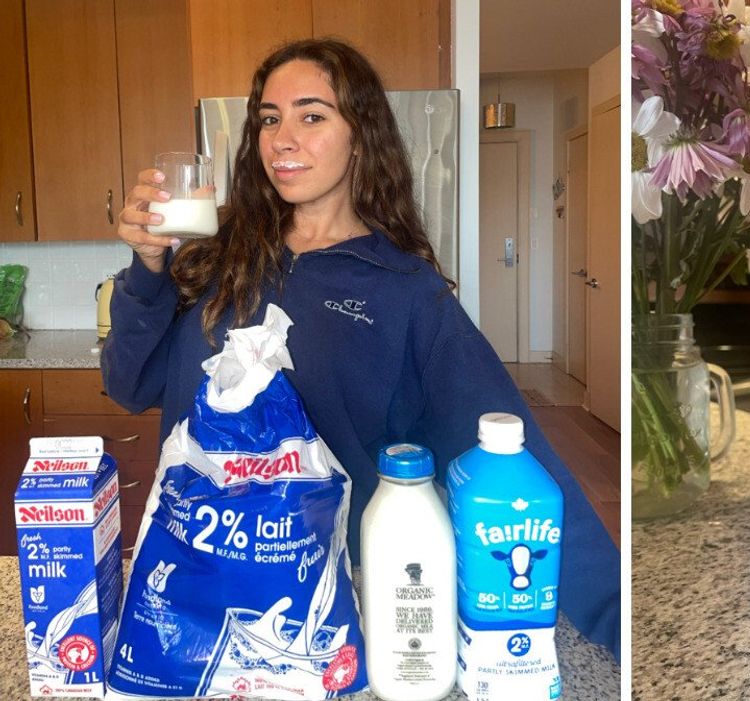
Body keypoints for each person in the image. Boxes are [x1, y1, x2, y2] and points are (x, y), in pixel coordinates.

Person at [101, 38, 620, 659]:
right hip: (188, 594)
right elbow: (129, 386)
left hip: (323, 609)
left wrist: (619, 619)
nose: (282, 139)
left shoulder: (405, 290)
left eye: (312, 116)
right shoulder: (211, 254)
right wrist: (147, 269)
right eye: (270, 118)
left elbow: (515, 457)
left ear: (360, 137)